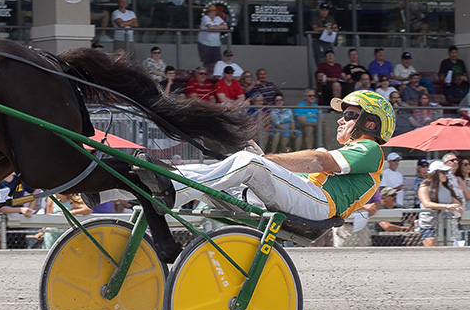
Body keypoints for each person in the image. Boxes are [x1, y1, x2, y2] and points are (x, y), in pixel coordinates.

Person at [119, 90, 393, 224]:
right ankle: (114, 189)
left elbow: (320, 162)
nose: (340, 121)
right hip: (308, 198)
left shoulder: (371, 149)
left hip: (320, 206)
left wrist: (267, 161)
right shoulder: (354, 152)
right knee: (203, 169)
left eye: (348, 115)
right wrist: (265, 162)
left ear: (370, 123)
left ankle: (174, 194)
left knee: (249, 163)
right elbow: (306, 172)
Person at [417, 160, 462, 247]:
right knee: (432, 250)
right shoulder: (424, 187)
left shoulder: (448, 188)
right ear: (435, 173)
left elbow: (456, 202)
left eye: (447, 172)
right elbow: (427, 204)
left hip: (445, 225)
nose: (446, 175)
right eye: (443, 172)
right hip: (429, 225)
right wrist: (446, 206)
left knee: (444, 251)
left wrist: (458, 208)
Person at [197, 4, 227, 72]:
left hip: (215, 43)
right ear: (208, 12)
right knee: (207, 62)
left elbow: (225, 27)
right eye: (211, 11)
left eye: (214, 11)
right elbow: (210, 27)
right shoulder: (205, 17)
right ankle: (205, 74)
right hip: (205, 43)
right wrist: (219, 27)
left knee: (217, 62)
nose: (213, 13)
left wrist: (215, 27)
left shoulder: (218, 18)